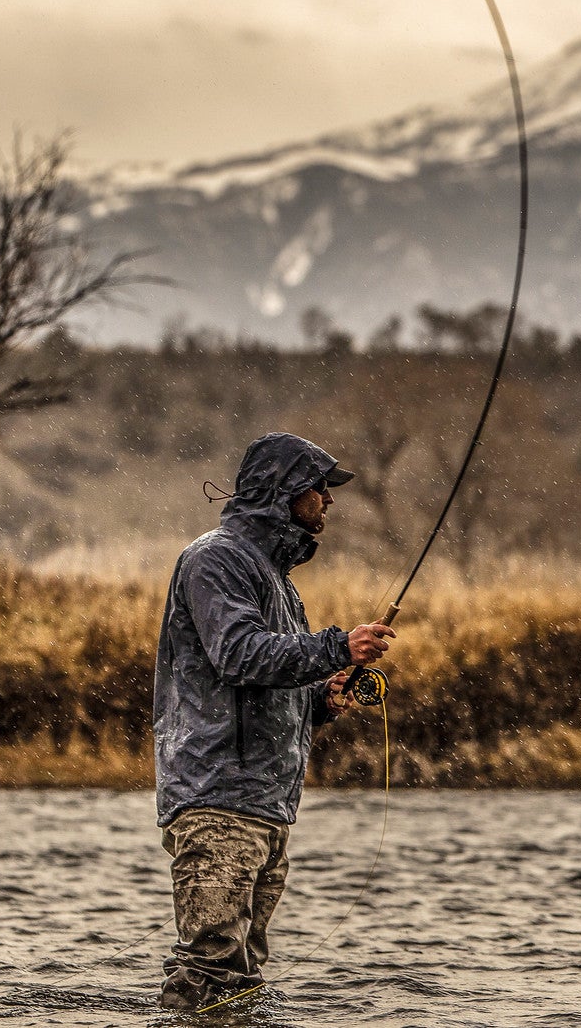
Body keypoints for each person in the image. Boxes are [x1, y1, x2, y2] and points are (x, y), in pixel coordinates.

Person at [152, 431, 397, 1012]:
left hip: (264, 807)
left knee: (240, 981)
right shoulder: (216, 559)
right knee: (210, 970)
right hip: (218, 797)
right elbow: (238, 655)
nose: (328, 499)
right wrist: (338, 647)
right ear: (282, 490)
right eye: (319, 487)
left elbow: (267, 683)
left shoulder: (278, 581)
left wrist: (320, 700)